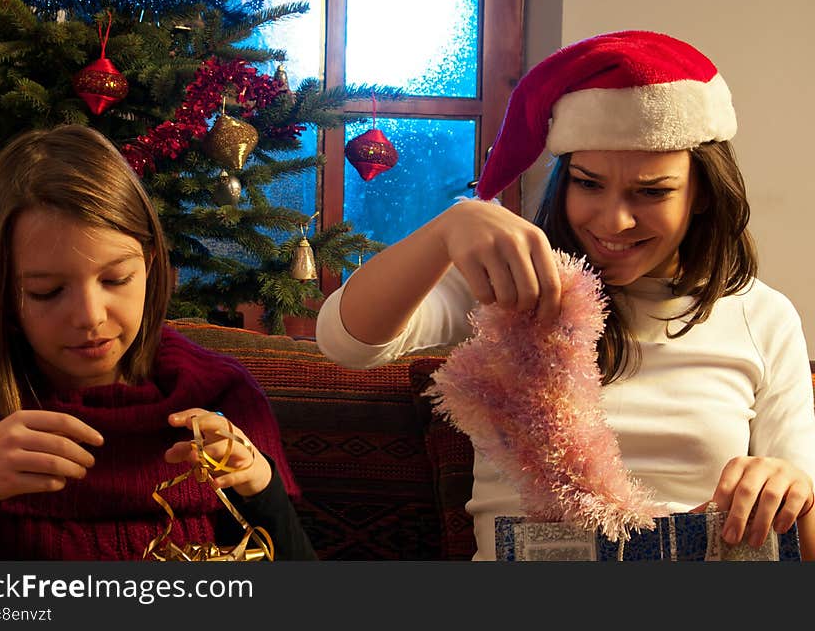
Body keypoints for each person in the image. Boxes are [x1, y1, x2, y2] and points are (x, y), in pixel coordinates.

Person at [316, 30, 815, 560]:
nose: (614, 221)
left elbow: (804, 537)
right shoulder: (511, 283)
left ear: (701, 195)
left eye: (651, 192)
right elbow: (346, 342)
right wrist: (446, 230)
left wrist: (790, 492)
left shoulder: (762, 315)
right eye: (589, 183)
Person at [0, 124, 316, 561]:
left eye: (116, 279)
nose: (90, 317)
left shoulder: (224, 398)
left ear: (149, 265)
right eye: (46, 291)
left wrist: (260, 486)